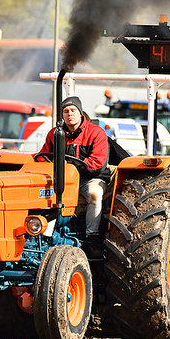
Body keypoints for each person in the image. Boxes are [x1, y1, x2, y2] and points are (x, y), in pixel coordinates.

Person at [37, 96, 110, 255]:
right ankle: (42, 234)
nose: (69, 114)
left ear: (80, 112)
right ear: (62, 115)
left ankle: (92, 236)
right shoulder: (55, 134)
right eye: (66, 111)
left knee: (94, 194)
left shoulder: (96, 133)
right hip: (62, 178)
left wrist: (70, 167)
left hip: (89, 178)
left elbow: (96, 162)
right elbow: (43, 155)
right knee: (42, 193)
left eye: (73, 110)